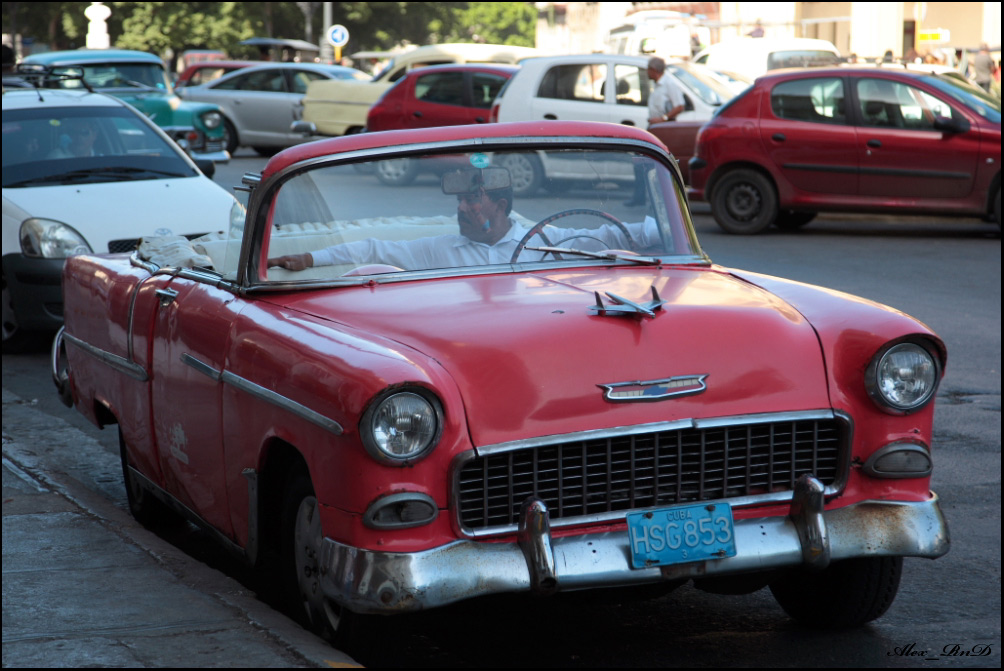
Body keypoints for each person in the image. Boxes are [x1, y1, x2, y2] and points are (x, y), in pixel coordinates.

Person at [267, 167, 661, 272]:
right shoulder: (440, 250)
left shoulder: (549, 240)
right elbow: (373, 248)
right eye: (460, 201)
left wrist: (668, 233)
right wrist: (309, 259)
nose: (461, 208)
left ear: (501, 206)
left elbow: (616, 235)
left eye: (473, 200)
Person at [624, 56, 684, 207]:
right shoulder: (658, 85)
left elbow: (680, 106)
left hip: (664, 127)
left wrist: (663, 118)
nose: (647, 73)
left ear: (654, 70)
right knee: (642, 160)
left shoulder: (669, 84)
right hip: (655, 126)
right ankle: (642, 197)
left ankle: (657, 199)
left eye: (648, 70)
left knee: (654, 160)